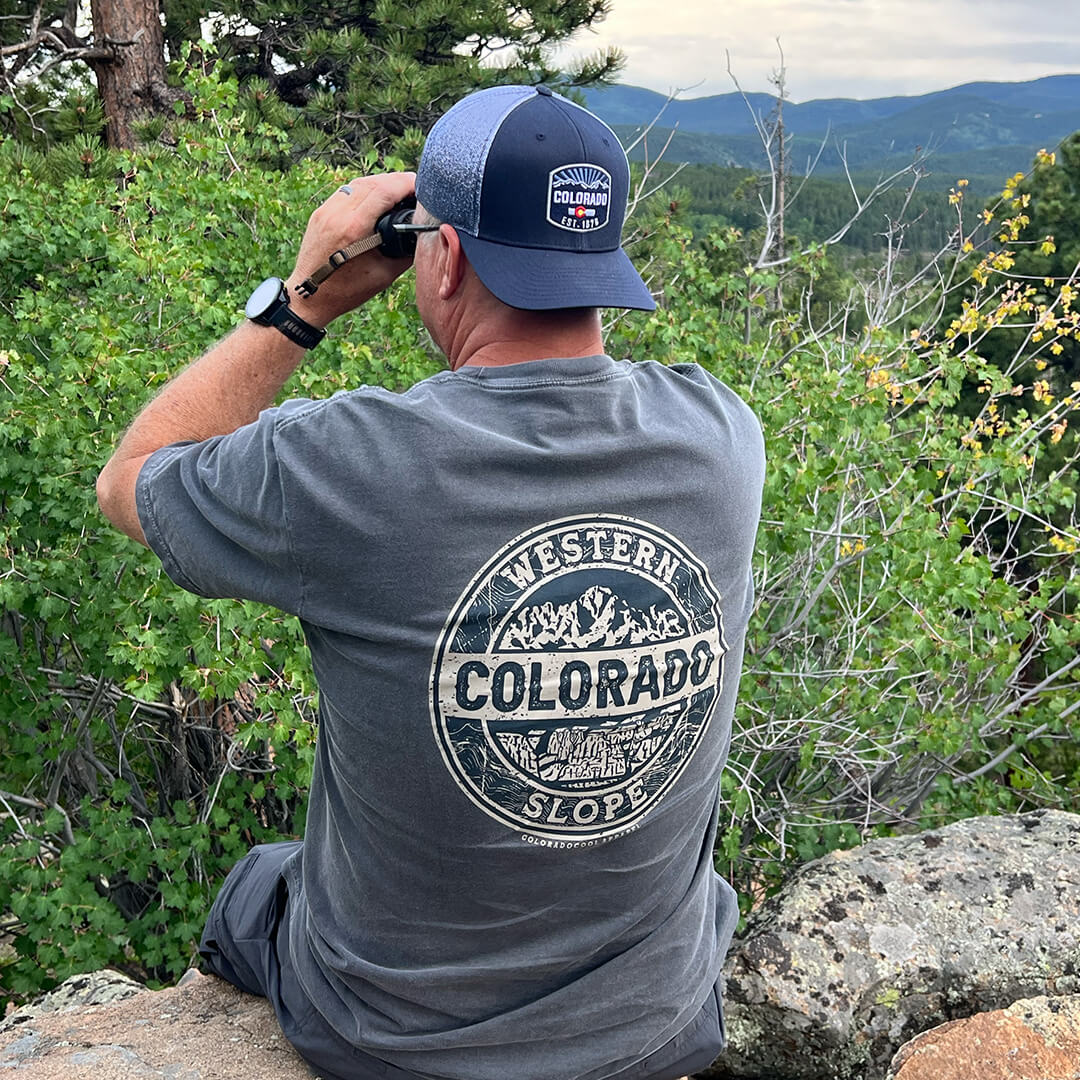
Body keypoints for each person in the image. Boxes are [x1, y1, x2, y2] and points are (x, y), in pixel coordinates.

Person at [97, 84, 765, 1080]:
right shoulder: (721, 436)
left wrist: (305, 299)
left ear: (440, 256)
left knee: (257, 885)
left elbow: (128, 479)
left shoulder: (356, 462)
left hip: (395, 1045)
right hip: (656, 1024)